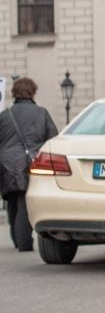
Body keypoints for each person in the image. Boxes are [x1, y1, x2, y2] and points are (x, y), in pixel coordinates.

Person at [0, 77, 58, 251]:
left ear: (14, 94)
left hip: (6, 163)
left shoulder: (4, 115)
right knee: (24, 200)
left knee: (12, 199)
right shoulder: (42, 113)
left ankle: (17, 239)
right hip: (31, 162)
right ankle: (24, 242)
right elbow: (53, 138)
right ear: (32, 92)